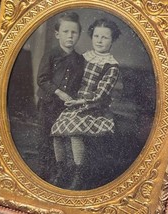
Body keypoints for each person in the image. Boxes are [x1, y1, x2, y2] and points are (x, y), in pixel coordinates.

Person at [51, 18, 121, 190]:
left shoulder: (111, 66)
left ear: (112, 40)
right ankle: (62, 171)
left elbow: (101, 94)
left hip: (94, 108)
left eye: (105, 37)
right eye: (96, 36)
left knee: (74, 134)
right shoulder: (83, 58)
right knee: (56, 134)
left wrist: (82, 101)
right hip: (74, 104)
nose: (99, 40)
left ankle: (78, 174)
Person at [36, 12, 84, 181]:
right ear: (57, 34)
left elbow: (79, 84)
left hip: (65, 108)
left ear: (78, 35)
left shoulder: (80, 60)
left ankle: (59, 172)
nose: (70, 36)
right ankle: (44, 172)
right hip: (48, 103)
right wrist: (58, 92)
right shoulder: (51, 54)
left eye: (74, 32)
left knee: (60, 139)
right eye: (65, 32)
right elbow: (42, 79)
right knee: (45, 137)